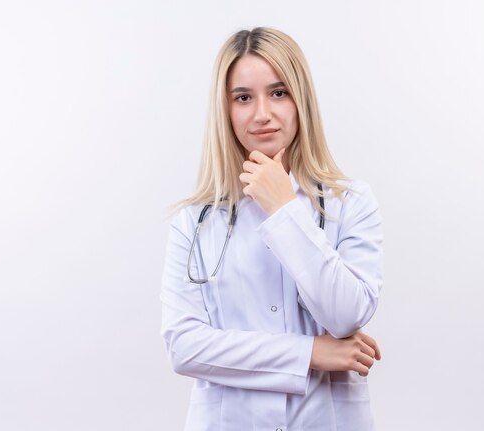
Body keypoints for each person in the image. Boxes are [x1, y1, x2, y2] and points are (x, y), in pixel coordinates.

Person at [161, 27, 384, 431]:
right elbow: (185, 347)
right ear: (225, 109)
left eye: (278, 92)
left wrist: (284, 208)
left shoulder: (349, 202)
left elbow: (346, 315)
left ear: (301, 101)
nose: (262, 113)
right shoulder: (194, 221)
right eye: (243, 97)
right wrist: (310, 353)